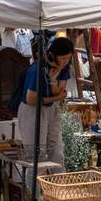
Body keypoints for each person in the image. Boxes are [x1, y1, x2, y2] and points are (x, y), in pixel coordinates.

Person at [17, 35, 73, 168]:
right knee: (37, 156)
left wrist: (53, 80)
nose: (65, 62)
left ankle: (57, 187)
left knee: (57, 152)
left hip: (50, 108)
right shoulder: (37, 69)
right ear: (53, 55)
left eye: (68, 58)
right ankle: (33, 188)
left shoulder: (63, 67)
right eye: (63, 58)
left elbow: (59, 91)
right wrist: (56, 98)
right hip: (31, 111)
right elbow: (31, 100)